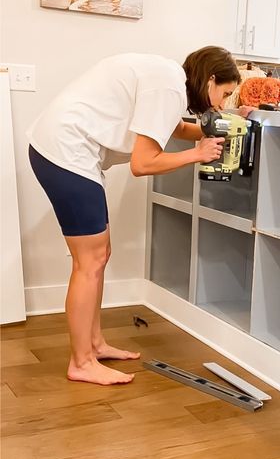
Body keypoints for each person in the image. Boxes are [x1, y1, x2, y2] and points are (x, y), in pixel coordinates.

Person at [27, 47, 245, 386]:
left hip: (65, 149)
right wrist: (196, 156)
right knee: (90, 261)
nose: (220, 105)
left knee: (98, 256)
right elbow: (142, 165)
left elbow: (174, 129)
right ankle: (81, 362)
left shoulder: (168, 78)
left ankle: (94, 345)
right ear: (211, 79)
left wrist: (223, 127)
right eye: (225, 94)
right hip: (66, 151)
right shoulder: (169, 86)